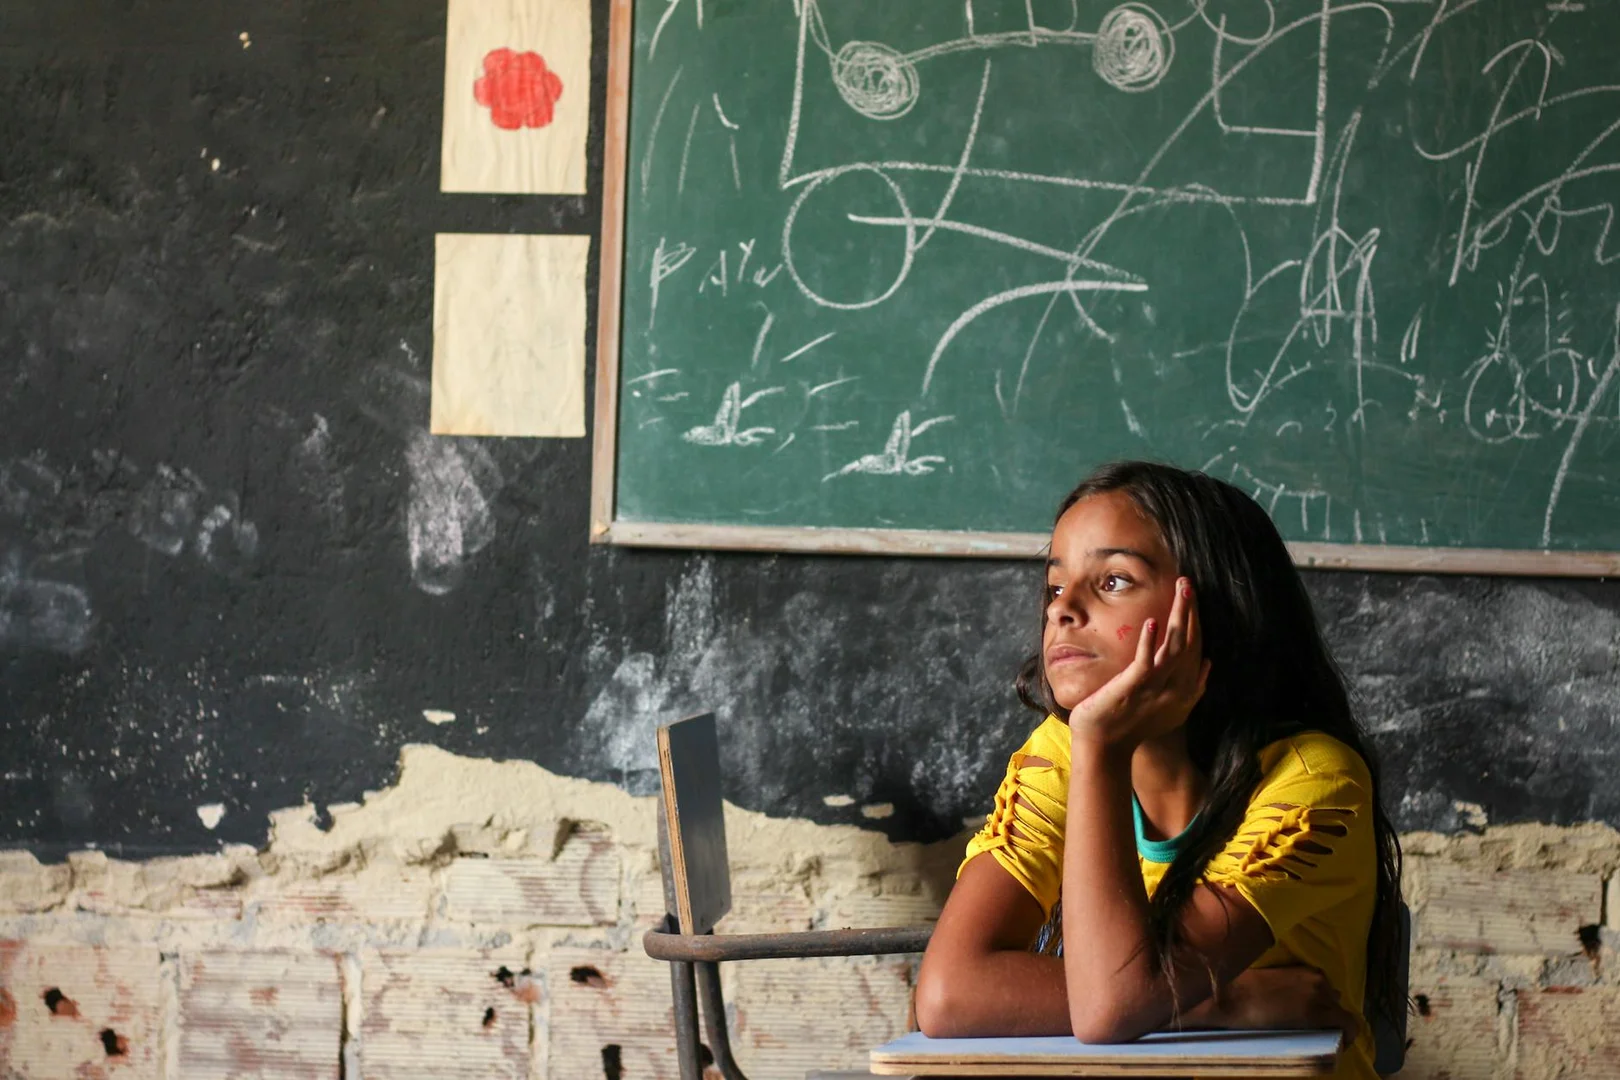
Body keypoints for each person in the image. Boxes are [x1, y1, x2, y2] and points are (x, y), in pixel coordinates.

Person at [914, 461, 1403, 1080]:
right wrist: (1224, 1002)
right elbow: (948, 994)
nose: (1063, 610)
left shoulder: (1314, 778)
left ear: (1213, 611)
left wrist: (1101, 745)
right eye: (1055, 587)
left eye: (1113, 580)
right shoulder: (1061, 751)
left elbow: (1111, 1006)